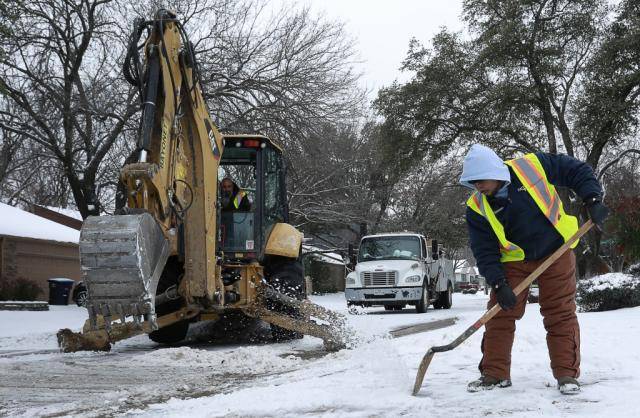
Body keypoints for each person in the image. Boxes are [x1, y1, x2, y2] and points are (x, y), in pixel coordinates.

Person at [459, 144, 608, 395]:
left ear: (493, 171)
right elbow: (484, 251)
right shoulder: (477, 207)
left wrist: (592, 198)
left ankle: (567, 375)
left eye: (481, 180)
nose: (478, 187)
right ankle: (494, 374)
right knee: (499, 314)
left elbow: (576, 171)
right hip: (514, 262)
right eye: (473, 183)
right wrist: (498, 283)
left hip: (556, 251)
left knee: (559, 314)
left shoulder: (532, 166)